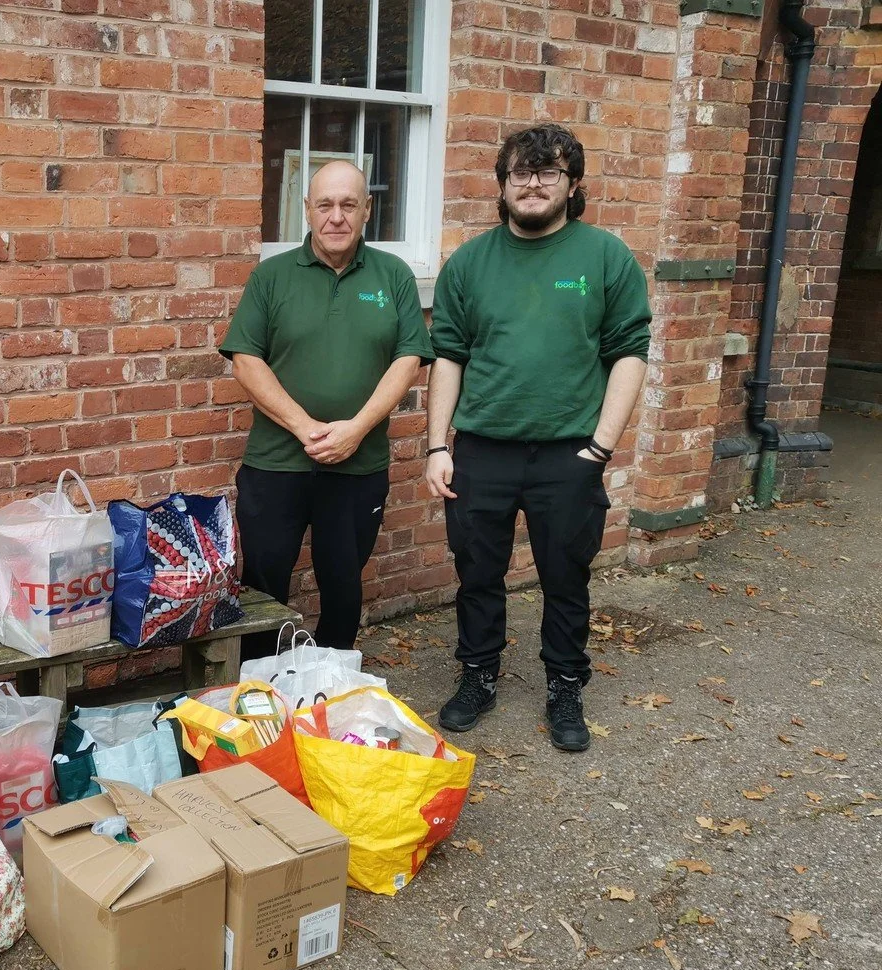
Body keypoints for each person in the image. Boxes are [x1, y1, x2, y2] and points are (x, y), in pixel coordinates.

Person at [424, 124, 652, 752]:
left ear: (572, 184)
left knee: (565, 575)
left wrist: (599, 448)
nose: (533, 183)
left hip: (567, 455)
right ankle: (477, 674)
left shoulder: (606, 258)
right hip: (482, 451)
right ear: (502, 184)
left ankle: (565, 686)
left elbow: (630, 354)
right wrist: (438, 446)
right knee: (476, 572)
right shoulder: (470, 262)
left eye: (549, 172)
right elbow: (448, 356)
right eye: (521, 172)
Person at [220, 160, 434, 650]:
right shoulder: (272, 276)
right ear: (307, 211)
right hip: (276, 463)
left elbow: (409, 359)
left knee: (343, 584)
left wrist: (355, 430)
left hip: (358, 467)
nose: (336, 217)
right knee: (263, 583)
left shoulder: (393, 275)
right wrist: (306, 429)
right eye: (325, 205)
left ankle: (332, 684)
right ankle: (260, 685)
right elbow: (246, 361)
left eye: (348, 205)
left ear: (366, 211)